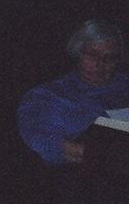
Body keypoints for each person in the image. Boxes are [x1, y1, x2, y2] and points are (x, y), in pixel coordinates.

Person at [18, 19, 129, 166]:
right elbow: (36, 139)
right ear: (77, 52)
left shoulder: (125, 85)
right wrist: (99, 154)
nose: (100, 63)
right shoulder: (47, 95)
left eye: (110, 58)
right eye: (92, 55)